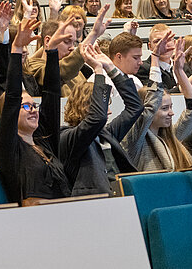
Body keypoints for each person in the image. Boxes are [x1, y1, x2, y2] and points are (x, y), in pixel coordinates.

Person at [0, 19, 71, 204]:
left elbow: (52, 95)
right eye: (26, 106)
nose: (33, 110)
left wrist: (51, 51)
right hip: (32, 220)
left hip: (65, 213)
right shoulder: (9, 147)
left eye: (34, 105)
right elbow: (12, 97)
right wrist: (17, 49)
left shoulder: (44, 141)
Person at [60, 42, 144, 197]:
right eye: (106, 106)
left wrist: (111, 69)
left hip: (121, 196)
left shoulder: (106, 133)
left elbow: (135, 107)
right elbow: (97, 118)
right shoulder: (68, 136)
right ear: (86, 106)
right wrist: (98, 71)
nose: (110, 112)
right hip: (94, 204)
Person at [123, 38, 192, 171]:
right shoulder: (134, 141)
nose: (171, 113)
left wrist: (180, 71)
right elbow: (152, 104)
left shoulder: (171, 135)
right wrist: (155, 58)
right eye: (165, 108)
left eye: (170, 107)